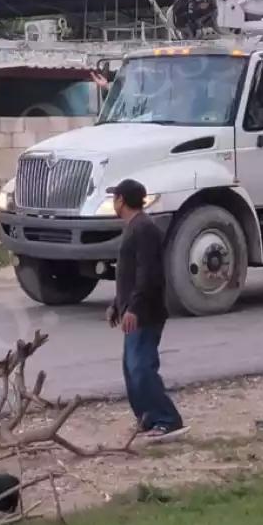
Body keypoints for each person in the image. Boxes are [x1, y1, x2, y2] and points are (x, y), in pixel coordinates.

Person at [105, 179, 188, 443]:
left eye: (114, 197)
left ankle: (167, 420)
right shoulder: (134, 227)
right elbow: (128, 275)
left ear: (122, 200)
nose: (113, 203)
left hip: (146, 313)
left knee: (141, 369)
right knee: (131, 370)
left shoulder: (144, 229)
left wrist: (135, 308)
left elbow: (148, 275)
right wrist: (117, 305)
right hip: (133, 309)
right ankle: (147, 418)